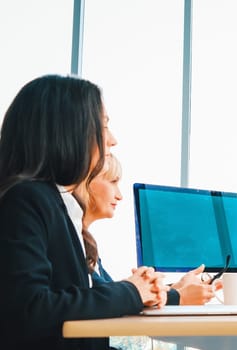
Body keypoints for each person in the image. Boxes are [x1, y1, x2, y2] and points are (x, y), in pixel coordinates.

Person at [0, 74, 167, 350]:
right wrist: (131, 291)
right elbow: (31, 310)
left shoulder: (49, 201)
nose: (112, 140)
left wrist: (135, 290)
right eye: (103, 126)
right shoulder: (26, 200)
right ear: (68, 132)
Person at [74, 154, 222, 305]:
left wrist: (175, 289)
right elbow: (104, 299)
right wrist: (178, 296)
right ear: (84, 181)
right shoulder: (74, 242)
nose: (120, 196)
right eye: (113, 182)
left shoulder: (87, 242)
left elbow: (110, 293)